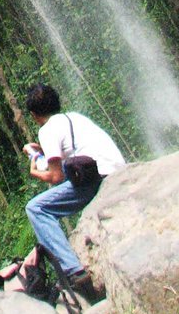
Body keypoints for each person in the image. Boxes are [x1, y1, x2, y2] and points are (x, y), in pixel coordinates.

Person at [23, 82, 126, 297]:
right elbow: (70, 151)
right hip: (118, 171)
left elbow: (55, 176)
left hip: (97, 179)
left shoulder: (47, 129)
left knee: (36, 208)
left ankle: (73, 271)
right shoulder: (76, 118)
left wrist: (35, 170)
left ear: (33, 114)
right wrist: (41, 152)